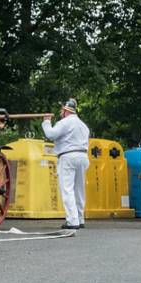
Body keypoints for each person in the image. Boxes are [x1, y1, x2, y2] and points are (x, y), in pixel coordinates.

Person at [42, 98, 90, 230]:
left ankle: (72, 220)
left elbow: (51, 135)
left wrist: (46, 121)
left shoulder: (64, 122)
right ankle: (80, 219)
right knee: (79, 190)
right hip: (82, 156)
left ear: (65, 110)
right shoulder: (83, 126)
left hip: (68, 156)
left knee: (67, 189)